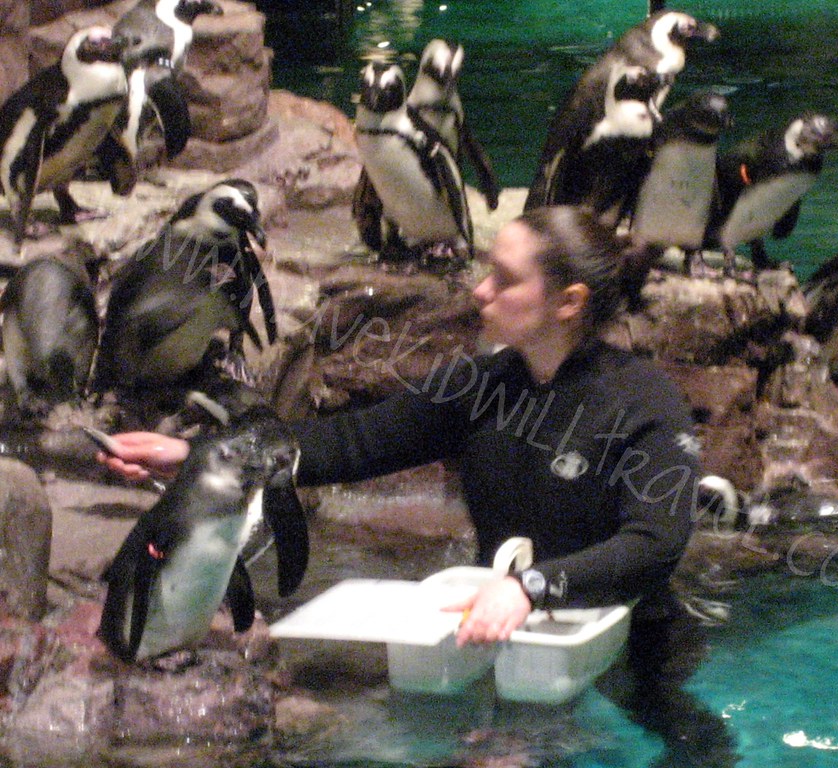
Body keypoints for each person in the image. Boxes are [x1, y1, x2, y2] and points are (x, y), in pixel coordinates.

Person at [97, 205, 731, 764]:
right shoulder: (482, 387)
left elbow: (656, 542)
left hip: (623, 651)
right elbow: (351, 442)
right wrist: (200, 457)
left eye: (506, 280)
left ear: (568, 302)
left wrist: (530, 588)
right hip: (495, 641)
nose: (481, 291)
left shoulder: (644, 403)